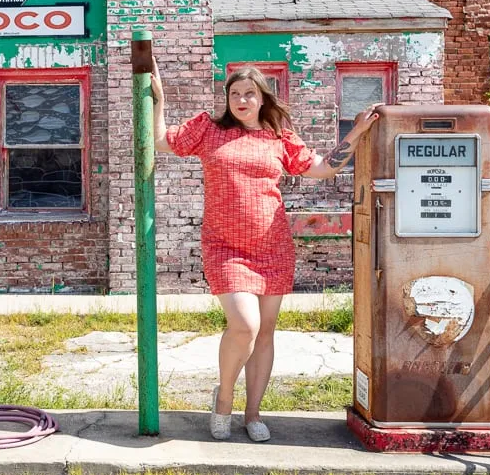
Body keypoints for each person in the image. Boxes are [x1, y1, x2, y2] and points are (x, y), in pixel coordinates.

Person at [152, 65, 380, 442]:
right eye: (234, 94)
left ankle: (253, 413)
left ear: (262, 98)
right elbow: (161, 141)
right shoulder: (210, 129)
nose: (241, 101)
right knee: (246, 326)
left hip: (271, 246)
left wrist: (356, 133)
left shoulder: (279, 137)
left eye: (249, 94)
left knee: (266, 332)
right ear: (227, 98)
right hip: (225, 246)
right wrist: (158, 100)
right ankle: (224, 397)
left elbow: (322, 169)